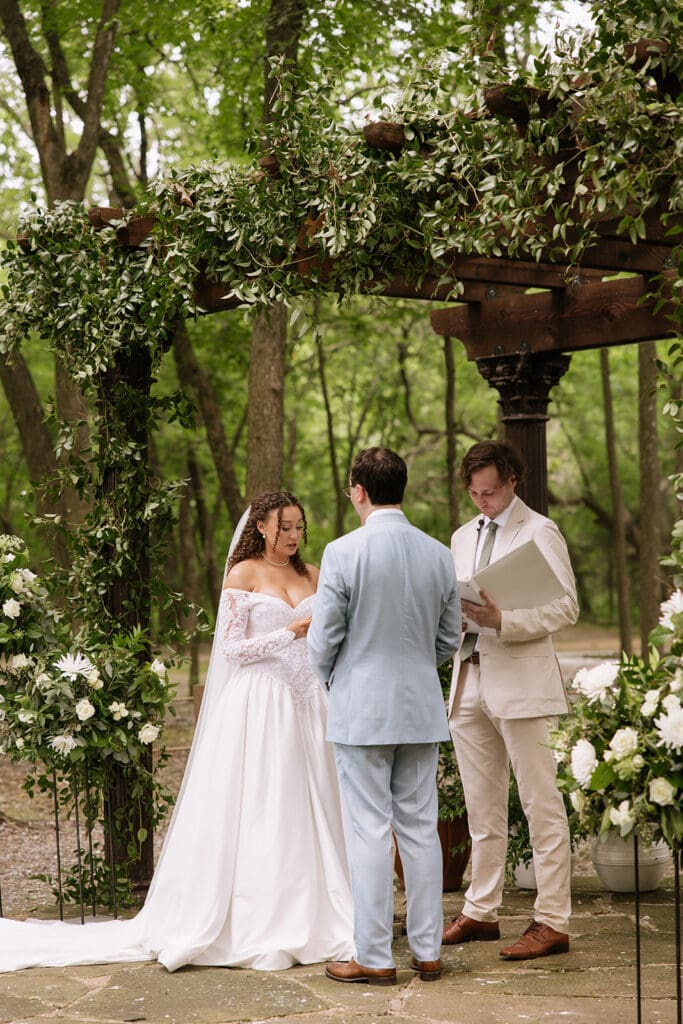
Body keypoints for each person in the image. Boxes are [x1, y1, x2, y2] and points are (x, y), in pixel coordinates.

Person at [0, 491, 353, 973]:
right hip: (260, 704)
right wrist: (294, 631)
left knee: (316, 803)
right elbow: (232, 651)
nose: (293, 536)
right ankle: (262, 914)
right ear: (263, 527)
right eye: (285, 526)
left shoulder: (313, 575)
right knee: (267, 803)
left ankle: (324, 906)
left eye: (299, 526)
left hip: (309, 702)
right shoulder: (243, 573)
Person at [307, 447, 461, 986]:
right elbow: (449, 638)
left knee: (368, 831)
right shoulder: (439, 554)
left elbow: (323, 637)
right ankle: (427, 951)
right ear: (402, 488)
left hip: (361, 709)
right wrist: (417, 666)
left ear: (358, 491)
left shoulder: (342, 552)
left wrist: (332, 676)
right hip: (420, 706)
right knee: (420, 830)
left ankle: (373, 955)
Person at [443, 441, 579, 961]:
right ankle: (481, 910)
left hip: (521, 681)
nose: (484, 502)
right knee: (482, 809)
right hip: (468, 678)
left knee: (541, 804)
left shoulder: (540, 530)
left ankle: (553, 920)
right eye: (475, 493)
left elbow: (566, 605)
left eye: (492, 491)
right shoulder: (460, 537)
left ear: (514, 480)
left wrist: (506, 621)